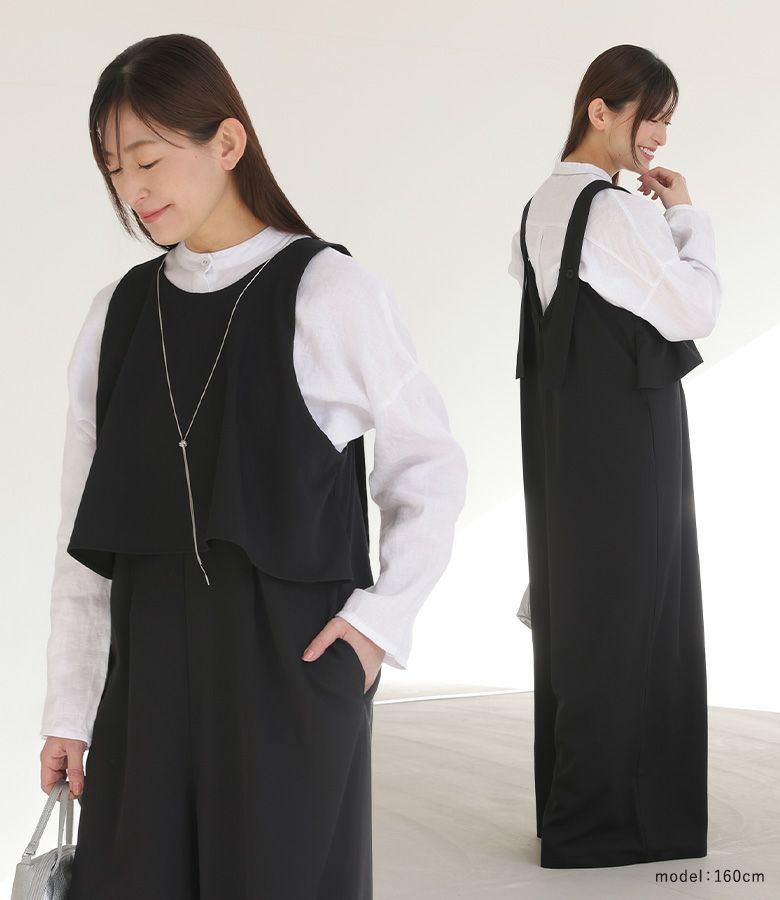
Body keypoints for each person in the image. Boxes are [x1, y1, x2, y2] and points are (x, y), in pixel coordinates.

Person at [38, 33, 467, 900]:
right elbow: (82, 540)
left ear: (228, 142)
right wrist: (69, 710)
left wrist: (376, 628)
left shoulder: (329, 292)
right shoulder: (116, 315)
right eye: (114, 170)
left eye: (148, 160)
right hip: (145, 693)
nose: (132, 190)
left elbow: (430, 467)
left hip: (288, 684)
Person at [508, 44, 721, 868]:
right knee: (641, 615)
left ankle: (576, 807)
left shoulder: (540, 205)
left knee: (586, 616)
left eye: (668, 120)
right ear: (600, 109)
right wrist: (686, 216)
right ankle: (620, 823)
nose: (660, 136)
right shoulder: (617, 212)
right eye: (650, 116)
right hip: (632, 442)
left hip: (568, 443)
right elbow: (694, 310)